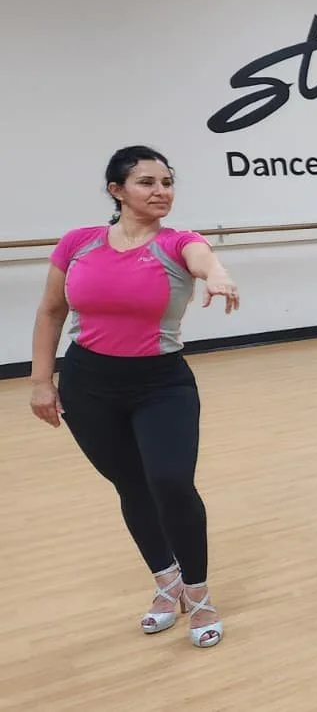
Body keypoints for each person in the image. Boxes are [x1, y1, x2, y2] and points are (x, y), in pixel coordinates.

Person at [28, 145, 239, 648]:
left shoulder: (178, 243)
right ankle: (166, 583)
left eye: (167, 182)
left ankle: (198, 593)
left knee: (171, 482)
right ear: (116, 190)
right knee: (131, 486)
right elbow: (52, 311)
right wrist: (40, 380)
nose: (161, 191)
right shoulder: (78, 244)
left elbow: (203, 259)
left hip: (160, 384)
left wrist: (218, 275)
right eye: (147, 182)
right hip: (88, 383)